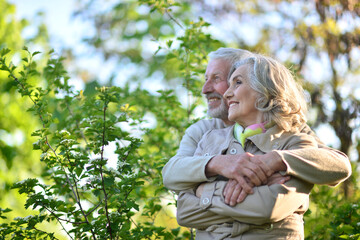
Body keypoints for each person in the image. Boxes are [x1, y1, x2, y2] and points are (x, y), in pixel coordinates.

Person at [174, 54, 339, 239]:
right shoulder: (207, 138)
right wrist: (247, 187)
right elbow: (184, 212)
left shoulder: (297, 143)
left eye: (237, 83)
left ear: (265, 91)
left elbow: (269, 207)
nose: (227, 94)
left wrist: (203, 191)